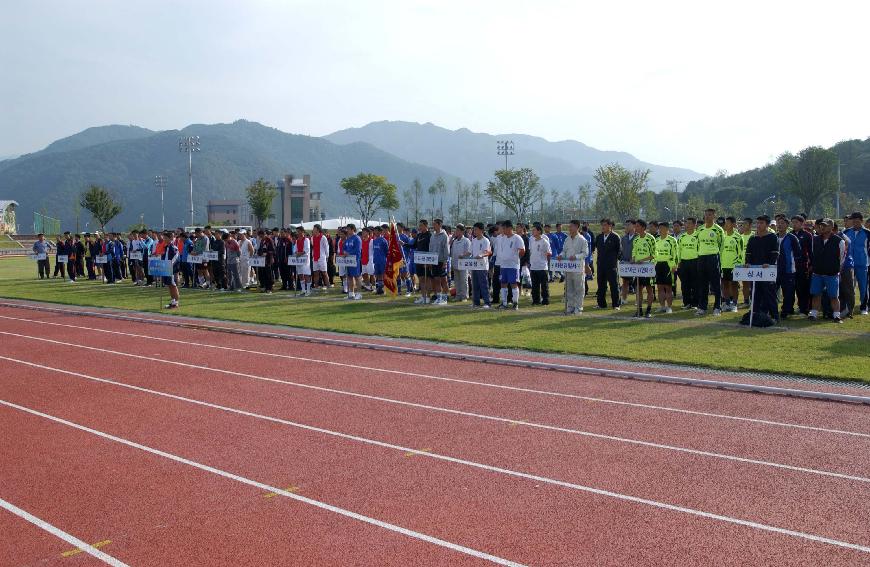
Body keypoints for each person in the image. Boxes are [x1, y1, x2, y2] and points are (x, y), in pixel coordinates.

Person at [804, 219, 845, 323]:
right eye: (821, 225)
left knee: (834, 296)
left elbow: (841, 259)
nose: (822, 227)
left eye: (825, 226)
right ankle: (813, 314)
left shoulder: (839, 241)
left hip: (832, 274)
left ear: (831, 227)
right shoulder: (815, 239)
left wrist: (836, 271)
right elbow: (813, 255)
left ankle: (836, 316)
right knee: (816, 294)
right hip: (817, 273)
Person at [695, 208, 725, 316]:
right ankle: (702, 307)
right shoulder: (700, 229)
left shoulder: (718, 230)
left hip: (713, 257)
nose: (707, 217)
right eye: (706, 215)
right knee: (702, 284)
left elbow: (721, 245)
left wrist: (716, 255)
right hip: (701, 258)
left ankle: (717, 307)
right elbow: (697, 243)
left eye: (710, 215)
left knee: (716, 284)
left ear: (714, 216)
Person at [559, 219, 590, 315]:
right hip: (568, 268)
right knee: (569, 288)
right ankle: (570, 306)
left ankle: (578, 307)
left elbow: (585, 253)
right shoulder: (567, 239)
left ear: (577, 227)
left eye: (571, 226)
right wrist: (561, 255)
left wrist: (576, 257)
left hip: (578, 268)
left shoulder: (582, 239)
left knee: (579, 288)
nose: (569, 228)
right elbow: (564, 251)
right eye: (569, 226)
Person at [495, 220, 525, 310]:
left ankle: (515, 303)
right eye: (502, 228)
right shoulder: (502, 238)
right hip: (503, 265)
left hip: (513, 265)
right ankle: (504, 303)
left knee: (513, 283)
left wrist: (516, 258)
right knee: (503, 283)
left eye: (504, 228)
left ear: (510, 228)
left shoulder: (517, 238)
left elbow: (522, 250)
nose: (503, 230)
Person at [844, 212, 870, 315]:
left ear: (861, 221)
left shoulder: (867, 233)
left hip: (862, 264)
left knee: (863, 287)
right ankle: (848, 307)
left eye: (857, 221)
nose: (854, 223)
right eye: (853, 220)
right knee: (849, 287)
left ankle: (864, 307)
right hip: (849, 264)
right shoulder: (846, 232)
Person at [775, 216, 800, 319]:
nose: (779, 225)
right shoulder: (773, 237)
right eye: (778, 223)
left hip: (788, 270)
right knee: (772, 290)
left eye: (782, 223)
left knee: (788, 292)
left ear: (787, 225)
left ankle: (787, 310)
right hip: (775, 270)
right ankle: (771, 309)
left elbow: (798, 254)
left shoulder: (792, 238)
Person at [631, 220, 656, 319]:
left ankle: (648, 310)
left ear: (642, 227)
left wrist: (643, 260)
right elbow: (634, 251)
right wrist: (633, 258)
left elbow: (654, 254)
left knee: (649, 289)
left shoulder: (650, 238)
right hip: (638, 269)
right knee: (638, 289)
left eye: (637, 226)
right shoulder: (636, 239)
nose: (635, 228)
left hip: (648, 268)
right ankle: (639, 310)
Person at [595, 218, 621, 309]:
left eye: (605, 225)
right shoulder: (599, 237)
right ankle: (601, 304)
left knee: (614, 285)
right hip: (601, 265)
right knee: (601, 285)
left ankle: (616, 304)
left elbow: (619, 251)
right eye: (602, 225)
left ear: (610, 226)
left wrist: (614, 261)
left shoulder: (615, 237)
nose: (603, 227)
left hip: (611, 265)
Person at [790, 215, 814, 315]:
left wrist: (811, 264)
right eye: (793, 222)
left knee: (803, 287)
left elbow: (811, 252)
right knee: (793, 287)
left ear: (802, 223)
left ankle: (804, 308)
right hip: (791, 265)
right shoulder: (789, 235)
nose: (794, 224)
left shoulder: (807, 235)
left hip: (803, 265)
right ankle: (794, 307)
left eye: (796, 222)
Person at [720, 217, 744, 312]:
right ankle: (726, 303)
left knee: (734, 285)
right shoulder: (722, 236)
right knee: (724, 285)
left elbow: (740, 253)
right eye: (725, 223)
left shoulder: (738, 237)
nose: (725, 225)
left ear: (733, 224)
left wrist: (737, 266)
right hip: (723, 266)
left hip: (733, 266)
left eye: (728, 223)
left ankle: (734, 304)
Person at [654, 221, 678, 313]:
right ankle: (662, 306)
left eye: (663, 228)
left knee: (668, 287)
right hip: (658, 265)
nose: (660, 230)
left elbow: (676, 254)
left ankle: (669, 307)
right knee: (659, 287)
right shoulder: (656, 240)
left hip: (668, 265)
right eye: (659, 228)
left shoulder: (672, 240)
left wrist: (674, 265)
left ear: (668, 230)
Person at [469, 222, 492, 308]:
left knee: (483, 285)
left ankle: (487, 302)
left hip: (482, 266)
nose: (474, 231)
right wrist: (463, 255)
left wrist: (481, 255)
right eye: (474, 229)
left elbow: (488, 252)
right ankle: (476, 302)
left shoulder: (485, 240)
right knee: (475, 285)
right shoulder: (474, 240)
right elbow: (469, 251)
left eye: (476, 229)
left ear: (481, 230)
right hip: (474, 265)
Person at [528, 223, 552, 305]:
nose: (532, 231)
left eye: (534, 230)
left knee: (544, 286)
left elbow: (549, 253)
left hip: (542, 267)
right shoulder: (532, 240)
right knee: (534, 285)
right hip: (533, 266)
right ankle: (536, 300)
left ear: (539, 231)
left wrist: (545, 261)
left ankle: (545, 300)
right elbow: (531, 252)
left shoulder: (544, 241)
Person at [430, 219, 450, 304]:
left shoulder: (444, 235)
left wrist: (445, 261)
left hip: (442, 261)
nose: (433, 226)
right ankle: (439, 298)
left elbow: (446, 249)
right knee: (436, 279)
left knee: (443, 280)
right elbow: (430, 248)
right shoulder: (433, 235)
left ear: (439, 225)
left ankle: (445, 298)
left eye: (434, 224)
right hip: (434, 261)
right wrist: (430, 260)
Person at [411, 220, 432, 304]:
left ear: (426, 226)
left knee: (427, 279)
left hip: (427, 261)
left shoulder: (430, 235)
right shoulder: (419, 235)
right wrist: (404, 244)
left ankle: (428, 297)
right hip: (418, 260)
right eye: (419, 226)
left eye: (421, 225)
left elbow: (431, 248)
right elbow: (414, 245)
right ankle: (423, 297)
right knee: (421, 279)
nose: (419, 227)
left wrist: (429, 262)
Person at [450, 224, 471, 301]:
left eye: (458, 230)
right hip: (455, 263)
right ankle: (458, 295)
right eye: (456, 230)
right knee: (457, 281)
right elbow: (452, 253)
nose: (456, 232)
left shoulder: (466, 240)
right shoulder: (455, 241)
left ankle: (464, 296)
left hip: (463, 264)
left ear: (462, 231)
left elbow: (469, 252)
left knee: (463, 280)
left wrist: (463, 255)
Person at [342, 223, 363, 300]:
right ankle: (351, 293)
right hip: (348, 261)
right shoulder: (348, 239)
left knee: (357, 277)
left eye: (348, 229)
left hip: (355, 260)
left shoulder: (357, 238)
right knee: (349, 277)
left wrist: (349, 253)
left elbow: (358, 250)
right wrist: (344, 252)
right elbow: (344, 248)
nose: (347, 230)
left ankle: (359, 293)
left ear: (352, 229)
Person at [619, 220, 636, 304]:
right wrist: (621, 258)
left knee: (638, 282)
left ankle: (638, 300)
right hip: (626, 263)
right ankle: (624, 299)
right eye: (626, 225)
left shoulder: (638, 237)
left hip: (636, 263)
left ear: (634, 226)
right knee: (625, 281)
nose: (627, 226)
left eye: (629, 225)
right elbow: (621, 250)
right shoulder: (624, 238)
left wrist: (635, 258)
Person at [256, 229, 276, 294]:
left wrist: (267, 253)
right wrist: (258, 253)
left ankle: (269, 288)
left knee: (268, 274)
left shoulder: (269, 240)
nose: (259, 237)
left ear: (263, 234)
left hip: (268, 260)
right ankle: (264, 287)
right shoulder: (262, 240)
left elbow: (273, 250)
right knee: (262, 274)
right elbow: (260, 249)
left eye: (260, 235)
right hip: (262, 260)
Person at [311, 224, 330, 292]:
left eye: (314, 228)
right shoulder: (312, 237)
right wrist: (313, 255)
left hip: (322, 257)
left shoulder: (323, 237)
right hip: (315, 258)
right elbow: (313, 247)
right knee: (315, 273)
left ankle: (328, 286)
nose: (313, 229)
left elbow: (326, 247)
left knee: (324, 273)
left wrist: (327, 256)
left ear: (318, 229)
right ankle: (316, 287)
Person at [371, 225, 388, 295]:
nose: (375, 232)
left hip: (382, 260)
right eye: (374, 231)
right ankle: (380, 289)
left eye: (377, 231)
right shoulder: (374, 240)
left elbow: (387, 251)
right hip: (376, 260)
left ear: (380, 232)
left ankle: (385, 289)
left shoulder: (383, 240)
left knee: (384, 274)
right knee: (378, 275)